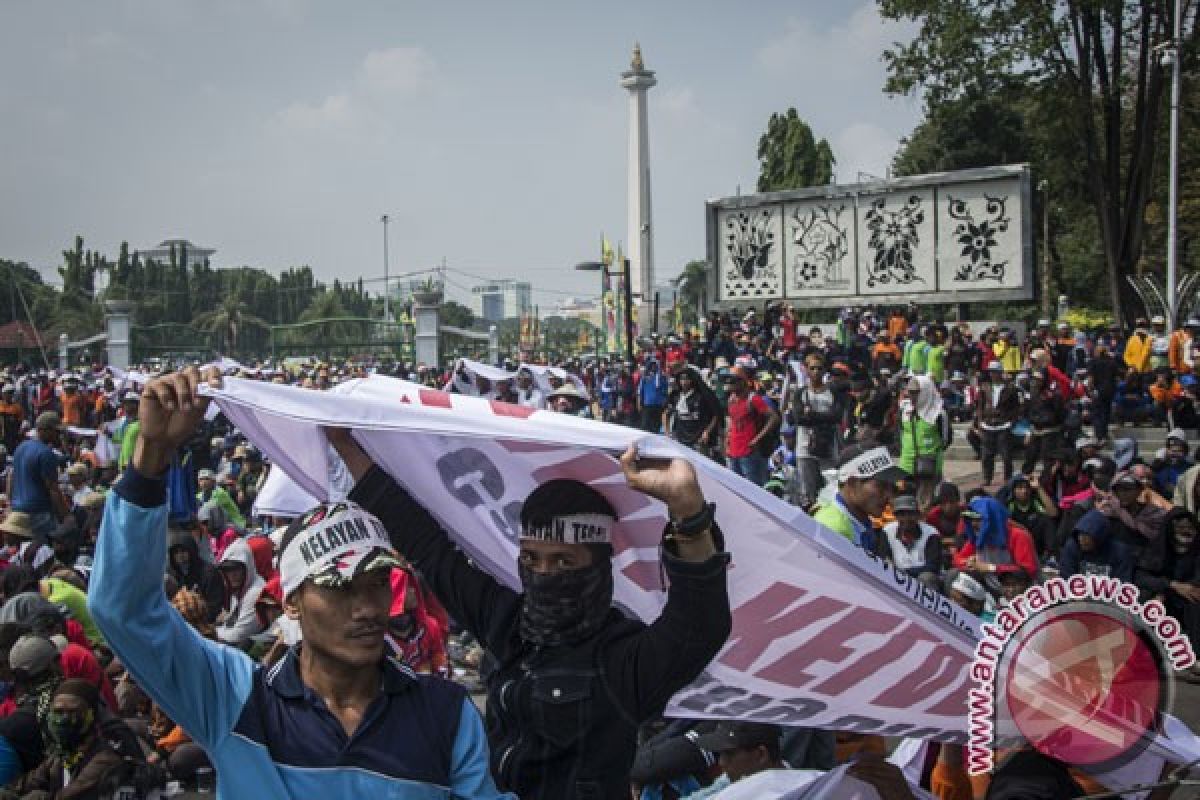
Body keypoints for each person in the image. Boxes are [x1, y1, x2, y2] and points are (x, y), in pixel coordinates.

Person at [89, 368, 510, 798]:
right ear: (291, 602)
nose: (366, 608)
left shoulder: (446, 714)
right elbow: (125, 612)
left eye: (378, 582)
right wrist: (151, 458)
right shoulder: (234, 699)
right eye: (339, 587)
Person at [327, 410, 732, 800]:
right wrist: (345, 445)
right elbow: (430, 549)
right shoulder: (507, 622)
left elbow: (699, 622)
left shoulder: (622, 659)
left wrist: (687, 511)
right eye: (531, 560)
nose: (544, 573)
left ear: (597, 565)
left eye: (563, 561)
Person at [9, 679, 127, 799]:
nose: (63, 720)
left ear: (91, 716)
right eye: (58, 712)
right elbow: (23, 785)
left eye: (73, 712)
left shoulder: (105, 759)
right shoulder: (60, 757)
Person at [812, 444, 904, 551]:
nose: (889, 495)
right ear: (852, 483)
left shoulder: (859, 517)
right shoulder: (833, 530)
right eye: (881, 486)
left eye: (891, 488)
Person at [6, 411, 69, 540]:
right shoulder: (46, 454)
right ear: (44, 430)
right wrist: (66, 516)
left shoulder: (20, 447)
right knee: (43, 550)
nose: (59, 435)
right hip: (38, 511)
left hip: (17, 510)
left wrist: (10, 502)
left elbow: (10, 477)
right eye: (56, 431)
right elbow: (53, 489)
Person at [680, 722, 785, 799]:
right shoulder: (736, 778)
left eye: (729, 753)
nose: (721, 762)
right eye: (721, 753)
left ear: (761, 754)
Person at [788, 355, 840, 505]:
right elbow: (799, 419)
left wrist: (812, 415)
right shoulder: (801, 393)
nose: (816, 371)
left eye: (819, 368)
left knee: (830, 489)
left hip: (828, 448)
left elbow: (836, 416)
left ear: (824, 371)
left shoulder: (832, 392)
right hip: (805, 448)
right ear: (807, 371)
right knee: (808, 492)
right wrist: (823, 417)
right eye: (812, 368)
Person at [897, 375, 949, 509]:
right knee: (906, 503)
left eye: (916, 393)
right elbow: (900, 432)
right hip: (906, 465)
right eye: (910, 392)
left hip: (928, 464)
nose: (912, 397)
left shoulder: (938, 414)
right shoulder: (904, 410)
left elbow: (946, 439)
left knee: (925, 504)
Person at [723, 367, 779, 487]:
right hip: (734, 451)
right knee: (735, 487)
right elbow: (732, 422)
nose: (729, 384)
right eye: (728, 381)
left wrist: (757, 439)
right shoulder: (731, 400)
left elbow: (774, 417)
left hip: (750, 451)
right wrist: (727, 441)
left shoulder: (753, 399)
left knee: (753, 488)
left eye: (733, 381)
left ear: (742, 382)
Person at [877, 494, 943, 586]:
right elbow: (883, 558)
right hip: (897, 580)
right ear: (895, 516)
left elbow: (932, 567)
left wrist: (905, 572)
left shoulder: (931, 533)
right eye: (902, 514)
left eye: (911, 514)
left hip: (923, 581)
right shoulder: (887, 531)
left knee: (926, 577)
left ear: (918, 515)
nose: (906, 519)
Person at [974, 361, 1021, 487]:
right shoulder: (984, 387)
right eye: (991, 372)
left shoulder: (1010, 388)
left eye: (995, 372)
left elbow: (1016, 408)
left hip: (1003, 424)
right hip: (988, 424)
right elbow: (980, 406)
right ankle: (987, 477)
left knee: (1006, 454)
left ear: (1000, 373)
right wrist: (979, 421)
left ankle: (1007, 477)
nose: (993, 374)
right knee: (986, 455)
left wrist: (1012, 422)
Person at [166, 527, 226, 624]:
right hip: (179, 623)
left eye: (183, 551)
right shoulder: (172, 574)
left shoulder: (208, 572)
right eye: (176, 552)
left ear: (192, 550)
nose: (180, 555)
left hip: (204, 622)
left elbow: (215, 605)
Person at [1059, 509, 1135, 581]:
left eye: (1087, 535)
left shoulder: (1120, 552)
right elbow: (1066, 576)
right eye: (1080, 534)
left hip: (1109, 592)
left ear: (1099, 537)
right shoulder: (1073, 546)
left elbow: (1123, 583)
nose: (1082, 539)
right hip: (1076, 591)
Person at [664, 366, 721, 455]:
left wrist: (707, 431)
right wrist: (667, 431)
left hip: (698, 441)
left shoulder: (701, 397)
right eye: (681, 379)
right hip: (680, 440)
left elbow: (715, 414)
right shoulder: (676, 396)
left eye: (687, 379)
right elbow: (666, 413)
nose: (684, 382)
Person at [637, 358, 670, 433]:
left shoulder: (662, 377)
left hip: (658, 405)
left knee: (656, 426)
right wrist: (640, 403)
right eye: (652, 365)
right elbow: (640, 391)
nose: (653, 367)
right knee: (645, 426)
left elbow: (665, 391)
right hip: (647, 405)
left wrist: (665, 403)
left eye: (655, 365)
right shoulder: (645, 377)